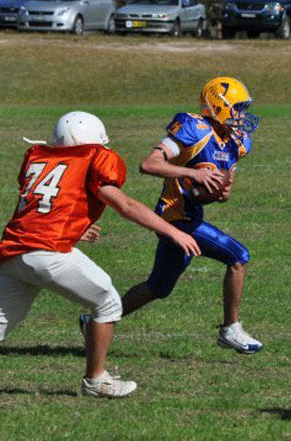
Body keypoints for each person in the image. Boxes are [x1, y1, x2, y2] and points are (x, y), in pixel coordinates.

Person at [0, 111, 202, 398]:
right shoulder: (94, 157)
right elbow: (125, 206)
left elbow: (43, 207)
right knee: (107, 303)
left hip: (12, 254)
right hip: (48, 253)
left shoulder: (41, 157)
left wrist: (74, 229)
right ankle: (96, 381)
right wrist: (172, 231)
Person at [84, 76, 263, 354]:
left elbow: (218, 189)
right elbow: (149, 163)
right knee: (238, 257)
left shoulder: (236, 141)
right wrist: (192, 173)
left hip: (191, 215)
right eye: (238, 108)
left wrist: (220, 192)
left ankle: (94, 321)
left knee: (158, 286)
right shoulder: (195, 128)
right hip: (173, 216)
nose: (242, 115)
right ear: (219, 106)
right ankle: (230, 329)